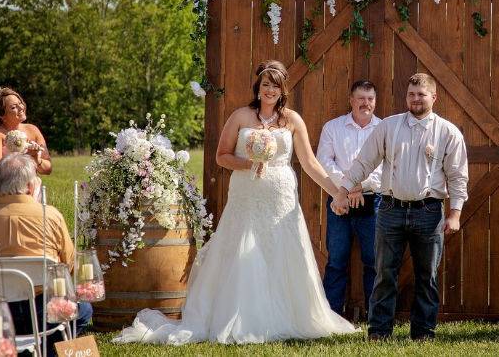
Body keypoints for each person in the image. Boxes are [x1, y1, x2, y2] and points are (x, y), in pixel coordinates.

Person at [115, 60, 358, 345]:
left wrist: (337, 190)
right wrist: (247, 163)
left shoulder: (292, 120)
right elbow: (221, 156)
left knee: (282, 251)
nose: (269, 90)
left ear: (283, 89)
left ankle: (288, 316)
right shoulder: (241, 115)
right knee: (243, 248)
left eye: (275, 85)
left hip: (281, 198)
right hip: (246, 196)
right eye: (265, 84)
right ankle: (242, 317)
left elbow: (310, 164)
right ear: (258, 87)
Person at [336, 73, 469, 341]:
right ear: (406, 96)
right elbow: (364, 162)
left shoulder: (448, 132)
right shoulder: (388, 126)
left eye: (421, 94)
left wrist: (455, 214)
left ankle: (423, 333)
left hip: (429, 212)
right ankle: (379, 332)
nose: (416, 99)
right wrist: (342, 190)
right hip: (390, 210)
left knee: (426, 276)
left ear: (434, 97)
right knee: (384, 274)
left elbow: (458, 176)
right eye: (411, 94)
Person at [0, 153, 91, 357]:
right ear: (30, 187)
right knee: (83, 311)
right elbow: (69, 265)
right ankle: (47, 350)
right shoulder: (50, 215)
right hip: (44, 313)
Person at [316, 80, 382, 317]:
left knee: (374, 261)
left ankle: (375, 316)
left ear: (375, 101)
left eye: (370, 99)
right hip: (339, 201)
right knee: (337, 260)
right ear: (351, 100)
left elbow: (386, 166)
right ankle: (331, 315)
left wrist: (359, 185)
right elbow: (324, 161)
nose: (366, 103)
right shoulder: (333, 128)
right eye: (361, 98)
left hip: (372, 201)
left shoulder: (384, 128)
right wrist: (346, 189)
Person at [0, 87, 51, 205]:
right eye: (13, 107)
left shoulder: (33, 130)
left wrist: (36, 160)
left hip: (32, 191)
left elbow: (48, 169)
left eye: (20, 103)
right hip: (0, 194)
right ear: (2, 115)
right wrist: (21, 157)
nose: (21, 108)